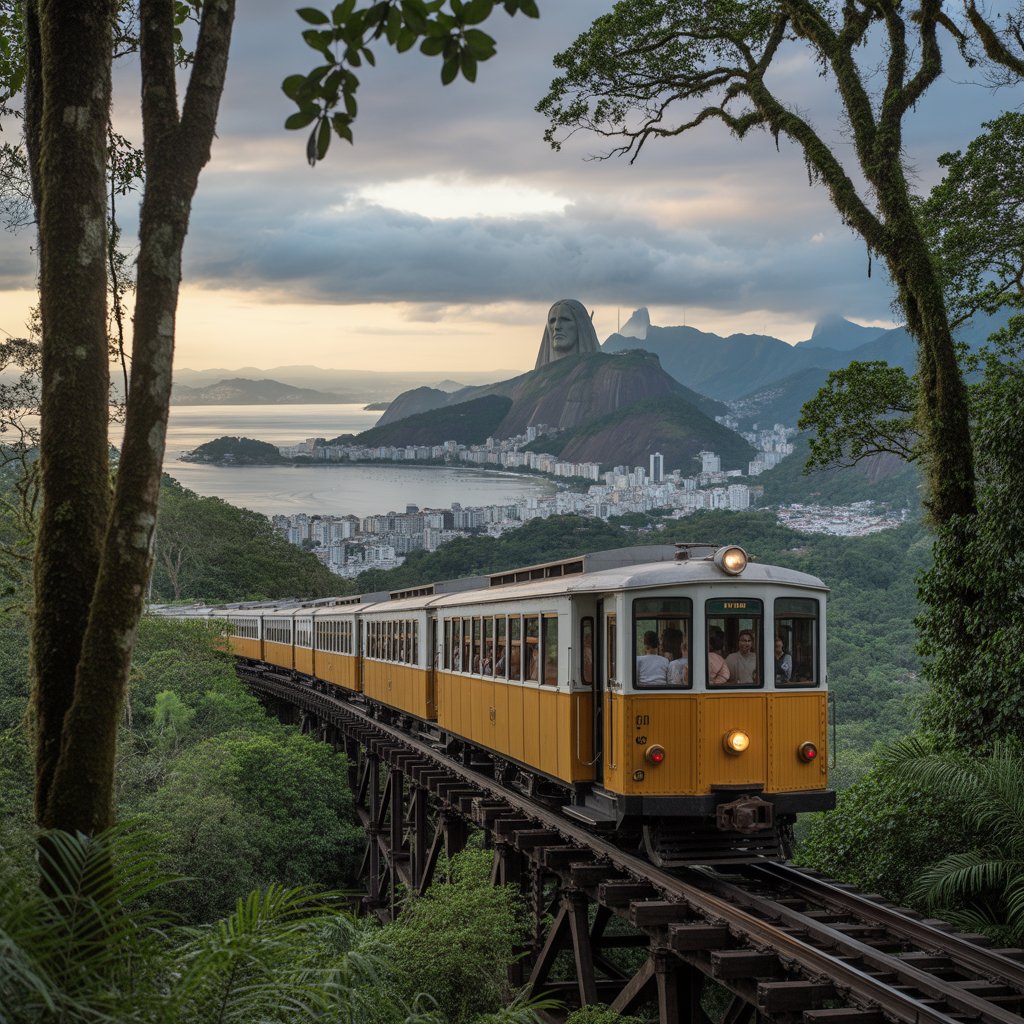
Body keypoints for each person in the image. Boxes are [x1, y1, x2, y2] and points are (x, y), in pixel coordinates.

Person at [534, 299, 601, 368]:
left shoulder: (602, 371)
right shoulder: (535, 378)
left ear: (580, 325)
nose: (556, 327)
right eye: (552, 321)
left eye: (565, 319)